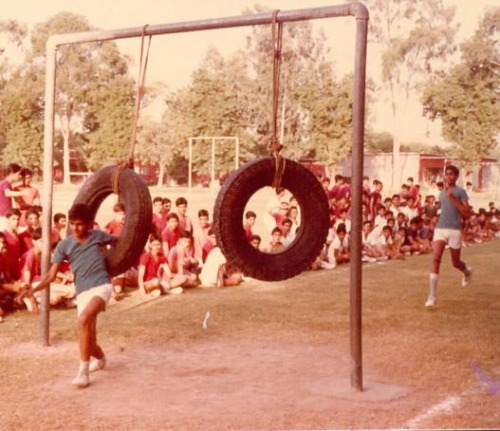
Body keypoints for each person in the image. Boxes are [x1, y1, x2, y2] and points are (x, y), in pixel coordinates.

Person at [16, 203, 117, 388]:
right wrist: (32, 290)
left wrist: (110, 260)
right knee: (89, 339)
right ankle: (101, 359)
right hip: (82, 291)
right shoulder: (64, 245)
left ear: (88, 224)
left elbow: (120, 242)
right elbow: (51, 275)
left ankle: (83, 373)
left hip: (101, 286)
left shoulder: (97, 236)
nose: (75, 228)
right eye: (72, 224)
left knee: (83, 320)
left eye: (79, 224)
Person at [425, 165, 472, 308]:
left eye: (452, 174)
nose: (449, 176)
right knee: (436, 259)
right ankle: (432, 297)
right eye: (447, 174)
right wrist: (434, 219)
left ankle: (466, 271)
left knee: (455, 262)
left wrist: (453, 199)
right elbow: (443, 209)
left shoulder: (461, 191)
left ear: (456, 177)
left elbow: (466, 213)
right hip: (440, 229)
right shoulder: (441, 192)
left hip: (454, 230)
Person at [137, 233, 185, 298]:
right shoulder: (146, 256)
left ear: (161, 245)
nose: (156, 247)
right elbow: (141, 276)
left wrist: (181, 276)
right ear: (150, 245)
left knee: (183, 278)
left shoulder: (162, 257)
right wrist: (142, 289)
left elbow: (169, 274)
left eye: (158, 244)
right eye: (154, 245)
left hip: (159, 282)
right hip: (148, 283)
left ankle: (162, 289)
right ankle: (166, 290)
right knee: (156, 282)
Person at [0, 163, 28, 231]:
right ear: (12, 173)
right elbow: (7, 193)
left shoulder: (7, 184)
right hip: (3, 214)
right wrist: (22, 193)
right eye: (19, 174)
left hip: (5, 214)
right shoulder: (5, 183)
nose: (20, 176)